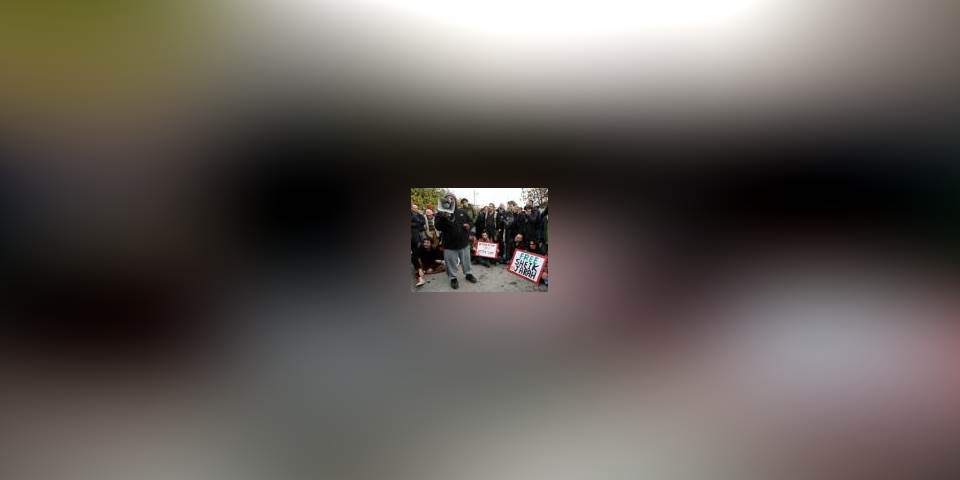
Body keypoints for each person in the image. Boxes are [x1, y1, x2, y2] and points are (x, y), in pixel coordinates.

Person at [435, 194, 478, 289]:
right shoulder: (440, 214)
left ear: (455, 200)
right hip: (449, 245)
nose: (450, 200)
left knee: (466, 261)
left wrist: (469, 225)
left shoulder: (462, 211)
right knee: (451, 263)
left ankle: (468, 274)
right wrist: (444, 217)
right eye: (447, 199)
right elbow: (437, 227)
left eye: (452, 198)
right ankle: (453, 278)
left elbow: (471, 221)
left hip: (463, 243)